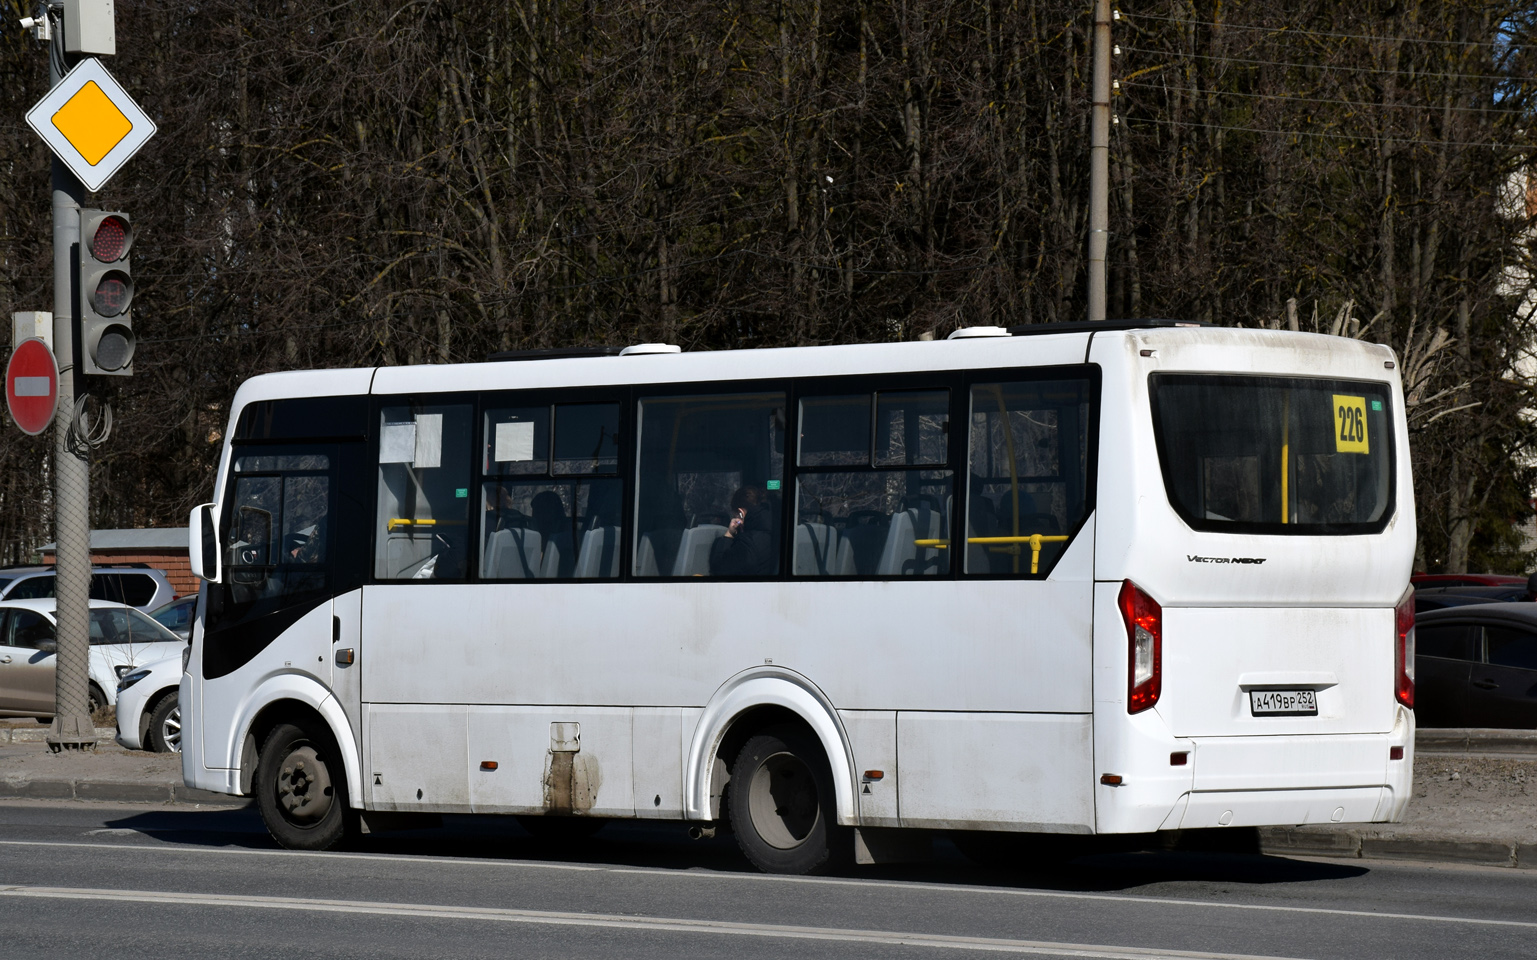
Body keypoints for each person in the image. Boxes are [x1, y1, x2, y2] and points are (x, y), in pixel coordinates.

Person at [710, 485, 776, 576]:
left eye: (735, 515)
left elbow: (719, 569)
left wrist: (729, 535)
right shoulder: (775, 528)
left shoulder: (747, 543)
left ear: (741, 513)